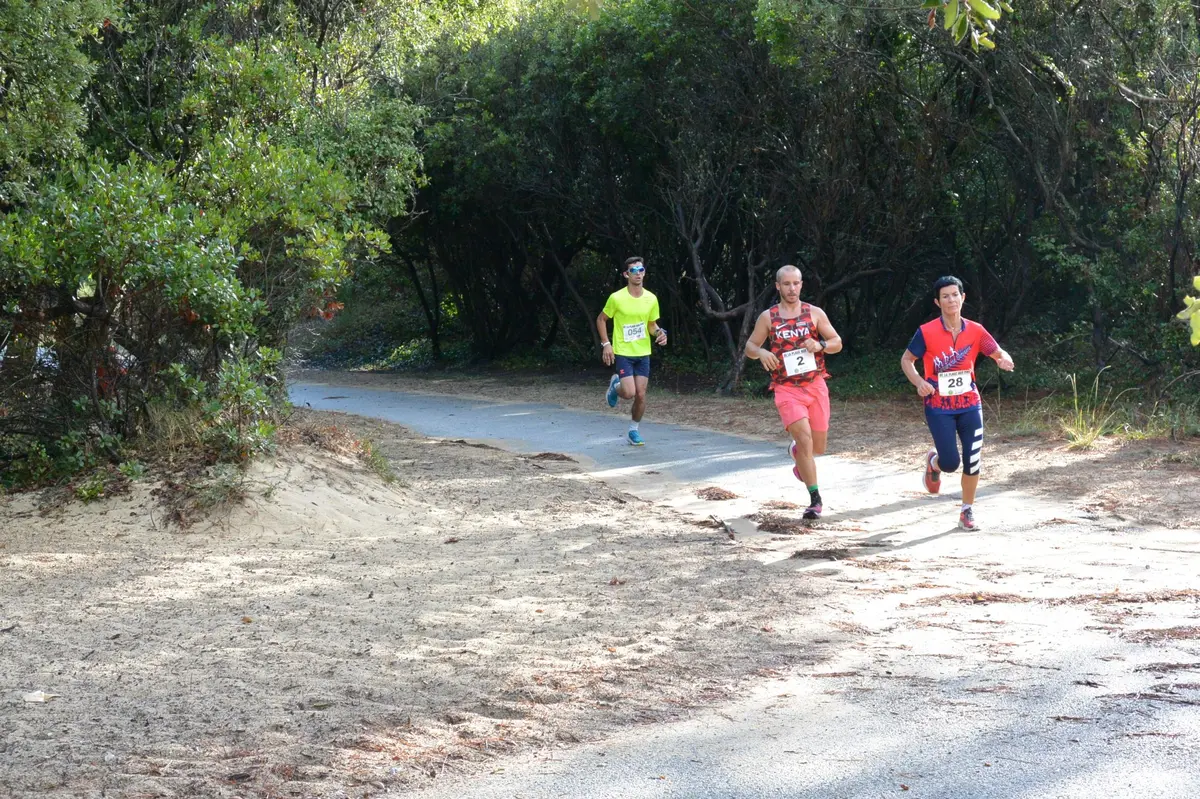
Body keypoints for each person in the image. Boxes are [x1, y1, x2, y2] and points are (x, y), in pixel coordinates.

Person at [900, 275, 1014, 531]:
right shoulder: (926, 332)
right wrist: (919, 382)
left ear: (963, 298)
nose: (951, 300)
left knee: (973, 457)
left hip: (970, 404)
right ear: (937, 302)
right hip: (939, 407)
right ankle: (934, 463)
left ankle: (967, 510)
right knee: (951, 462)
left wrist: (1003, 358)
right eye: (945, 296)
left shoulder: (975, 330)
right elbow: (907, 360)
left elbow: (996, 350)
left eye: (955, 295)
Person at [744, 265, 842, 519]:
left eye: (796, 283)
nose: (792, 288)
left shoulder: (814, 313)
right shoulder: (769, 317)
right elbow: (750, 346)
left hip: (815, 385)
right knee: (806, 440)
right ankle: (815, 500)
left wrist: (819, 344)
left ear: (801, 284)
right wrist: (762, 352)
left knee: (817, 447)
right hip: (786, 389)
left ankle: (799, 457)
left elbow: (836, 343)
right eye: (786, 284)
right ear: (778, 286)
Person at [597, 256, 667, 446]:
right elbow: (601, 319)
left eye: (641, 269)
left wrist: (660, 333)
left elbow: (652, 325)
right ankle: (615, 386)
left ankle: (633, 431)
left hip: (643, 352)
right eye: (634, 271)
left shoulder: (651, 298)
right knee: (628, 393)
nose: (638, 273)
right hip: (623, 352)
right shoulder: (616, 298)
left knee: (641, 394)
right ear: (626, 274)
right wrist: (606, 344)